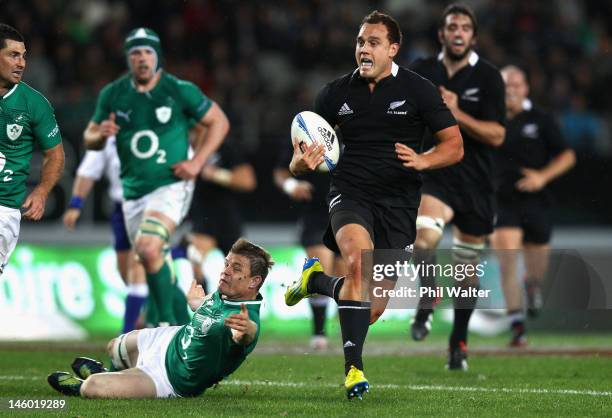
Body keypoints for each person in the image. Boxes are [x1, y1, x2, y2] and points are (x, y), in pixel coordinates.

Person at [284, 11, 463, 399]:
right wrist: (302, 163)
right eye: (360, 42)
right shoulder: (333, 94)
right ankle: (354, 370)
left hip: (399, 206)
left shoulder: (419, 90)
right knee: (358, 262)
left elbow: (454, 145)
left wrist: (424, 160)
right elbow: (296, 162)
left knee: (373, 307)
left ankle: (315, 281)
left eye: (373, 43)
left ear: (393, 49)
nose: (364, 49)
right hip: (350, 194)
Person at [83, 28, 230, 327]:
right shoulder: (113, 94)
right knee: (152, 261)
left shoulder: (178, 90)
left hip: (171, 185)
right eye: (135, 53)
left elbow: (219, 121)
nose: (142, 58)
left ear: (157, 56)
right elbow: (89, 136)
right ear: (128, 58)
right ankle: (177, 324)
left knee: (149, 249)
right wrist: (99, 135)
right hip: (133, 192)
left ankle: (162, 326)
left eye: (148, 52)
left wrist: (197, 162)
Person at [407, 3, 506, 371]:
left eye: (465, 27)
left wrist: (457, 112)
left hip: (477, 183)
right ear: (442, 34)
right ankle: (429, 292)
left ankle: (457, 342)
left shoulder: (490, 78)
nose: (458, 32)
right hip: (438, 173)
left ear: (473, 36)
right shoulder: (422, 72)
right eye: (452, 26)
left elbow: (497, 135)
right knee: (423, 240)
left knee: (466, 271)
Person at [47, 238, 273, 399]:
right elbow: (210, 318)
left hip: (170, 378)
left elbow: (243, 336)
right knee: (114, 347)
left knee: (93, 388)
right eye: (226, 263)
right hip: (167, 340)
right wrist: (197, 305)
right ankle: (112, 374)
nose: (225, 271)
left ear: (253, 281)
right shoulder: (226, 291)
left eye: (236, 268)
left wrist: (248, 331)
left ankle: (90, 384)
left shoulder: (244, 318)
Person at [491, 65, 575, 347]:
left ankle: (533, 284)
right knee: (507, 260)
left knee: (536, 263)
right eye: (505, 85)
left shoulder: (541, 119)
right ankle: (517, 326)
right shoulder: (490, 120)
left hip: (535, 200)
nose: (511, 89)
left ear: (526, 88)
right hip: (502, 201)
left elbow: (567, 156)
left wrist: (542, 176)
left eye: (516, 84)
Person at [62, 137, 147, 333]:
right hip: (120, 208)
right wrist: (76, 204)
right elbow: (87, 171)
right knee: (125, 270)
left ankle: (126, 332)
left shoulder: (154, 130)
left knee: (138, 265)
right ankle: (149, 314)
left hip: (149, 207)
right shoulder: (110, 139)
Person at [0, 23, 64, 274]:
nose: (22, 63)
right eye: (13, 55)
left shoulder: (34, 103)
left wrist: (42, 191)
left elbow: (55, 154)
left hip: (3, 210)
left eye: (24, 56)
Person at [274, 142, 346, 350]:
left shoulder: (357, 127)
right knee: (320, 271)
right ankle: (319, 331)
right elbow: (280, 172)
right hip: (316, 214)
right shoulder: (306, 132)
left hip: (349, 210)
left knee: (348, 280)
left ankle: (350, 333)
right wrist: (291, 186)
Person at [184, 132, 256, 294]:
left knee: (240, 273)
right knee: (196, 262)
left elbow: (248, 181)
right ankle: (205, 312)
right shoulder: (181, 149)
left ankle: (238, 310)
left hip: (227, 219)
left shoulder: (224, 148)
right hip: (200, 219)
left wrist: (216, 174)